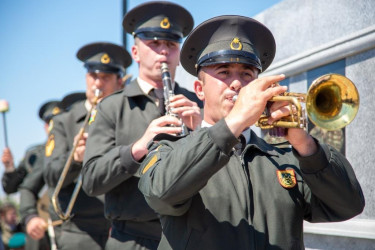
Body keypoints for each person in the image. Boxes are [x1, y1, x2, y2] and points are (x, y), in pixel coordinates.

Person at [138, 15, 365, 249]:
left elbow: (348, 206)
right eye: (224, 72)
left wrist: (306, 145)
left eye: (247, 74)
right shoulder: (169, 148)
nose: (237, 83)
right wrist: (233, 122)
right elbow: (161, 194)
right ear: (199, 89)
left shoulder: (285, 157)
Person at [82, 1, 202, 249]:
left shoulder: (197, 103)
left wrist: (202, 133)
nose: (163, 52)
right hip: (131, 239)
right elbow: (92, 180)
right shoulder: (111, 106)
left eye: (170, 44)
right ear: (136, 53)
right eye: (154, 43)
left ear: (178, 54)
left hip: (189, 236)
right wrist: (136, 149)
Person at [43, 42, 132, 250]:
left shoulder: (128, 118)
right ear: (86, 78)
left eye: (106, 78)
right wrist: (74, 159)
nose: (98, 84)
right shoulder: (64, 121)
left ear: (119, 82)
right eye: (94, 76)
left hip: (123, 231)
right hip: (80, 233)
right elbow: (49, 175)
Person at [18, 95, 85, 250]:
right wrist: (30, 217)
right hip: (71, 232)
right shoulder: (47, 155)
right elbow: (28, 188)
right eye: (51, 123)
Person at [1, 102, 61, 195]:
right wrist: (10, 168)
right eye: (50, 123)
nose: (54, 127)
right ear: (45, 126)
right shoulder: (34, 154)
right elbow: (11, 188)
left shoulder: (79, 149)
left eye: (59, 122)